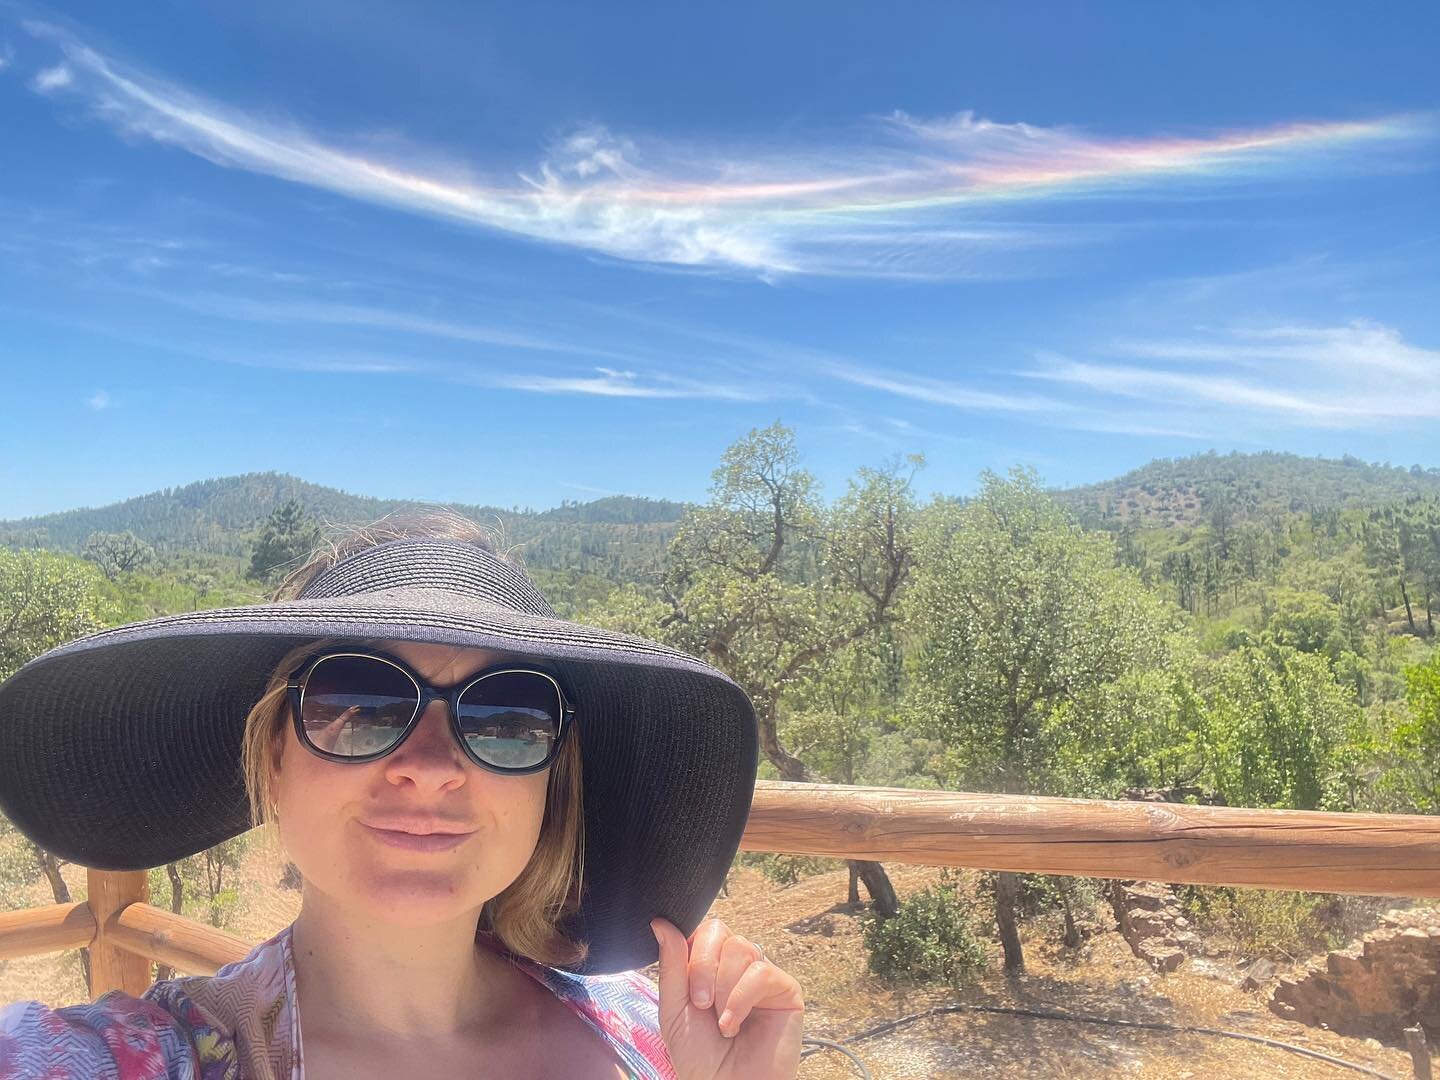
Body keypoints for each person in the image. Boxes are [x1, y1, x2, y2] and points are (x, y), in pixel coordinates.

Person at [0, 510, 804, 1078]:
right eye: (356, 705)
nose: (432, 766)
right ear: (271, 760)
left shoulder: (660, 1030)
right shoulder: (128, 1061)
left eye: (508, 717)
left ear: (550, 784)